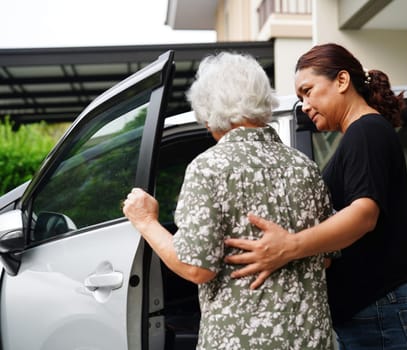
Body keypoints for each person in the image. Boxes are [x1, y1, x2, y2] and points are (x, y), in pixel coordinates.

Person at [224, 43, 407, 350]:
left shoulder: (367, 131)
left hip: (380, 308)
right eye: (300, 98)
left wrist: (290, 246)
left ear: (342, 81)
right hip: (372, 309)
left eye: (308, 91)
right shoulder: (359, 133)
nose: (305, 105)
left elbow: (364, 214)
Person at [122, 51, 334, 349]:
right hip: (310, 339)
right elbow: (324, 258)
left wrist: (146, 222)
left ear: (209, 110)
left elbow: (196, 268)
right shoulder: (305, 167)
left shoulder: (209, 168)